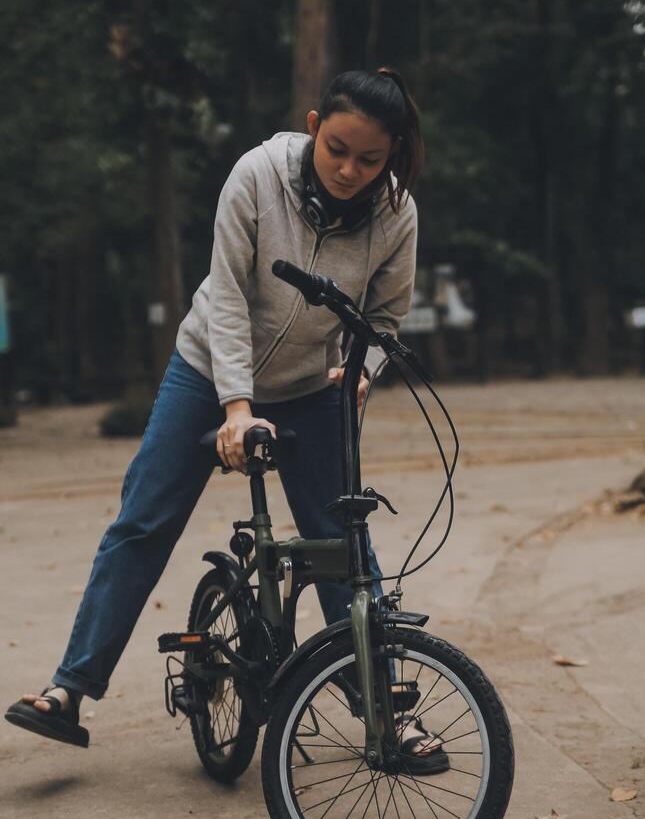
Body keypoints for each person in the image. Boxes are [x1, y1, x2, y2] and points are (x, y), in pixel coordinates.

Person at [5, 67, 447, 769]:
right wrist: (236, 408)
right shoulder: (256, 176)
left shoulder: (396, 214)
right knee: (142, 521)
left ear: (392, 154)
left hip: (309, 385)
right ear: (312, 125)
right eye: (337, 148)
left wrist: (359, 374)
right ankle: (69, 690)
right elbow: (232, 298)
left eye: (370, 158)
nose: (349, 170)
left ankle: (384, 715)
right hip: (207, 373)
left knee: (342, 539)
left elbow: (385, 315)